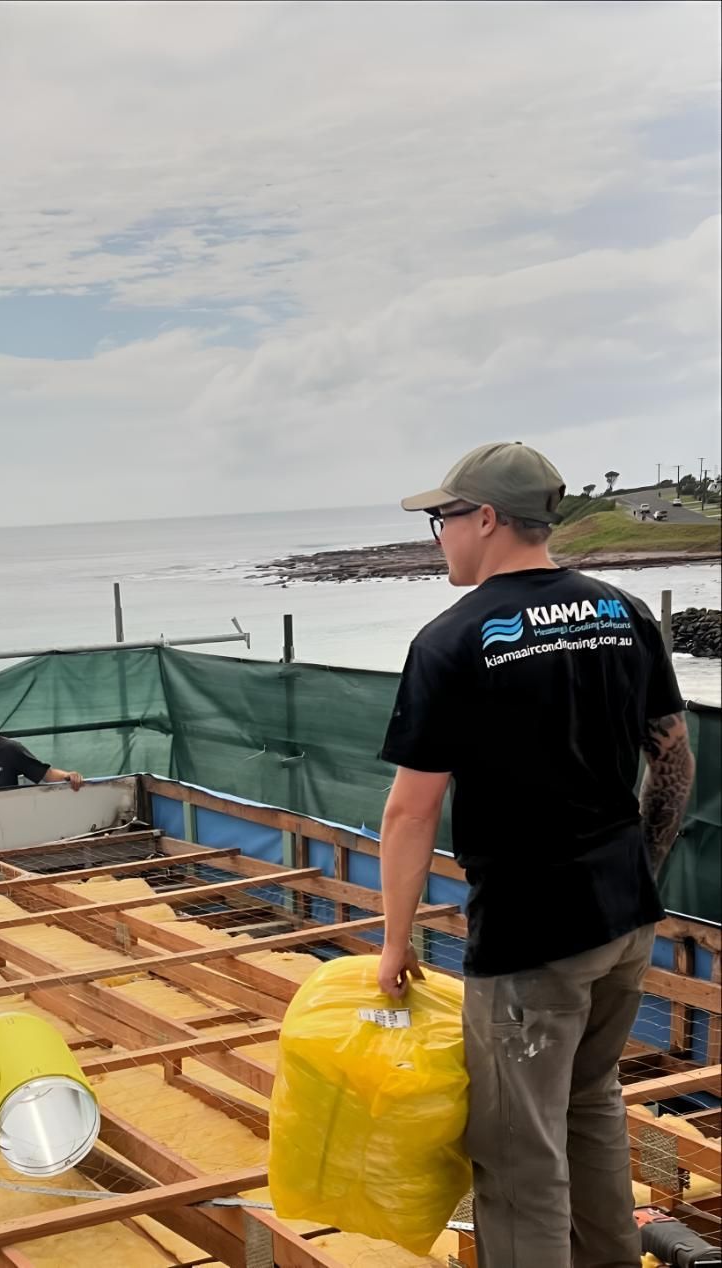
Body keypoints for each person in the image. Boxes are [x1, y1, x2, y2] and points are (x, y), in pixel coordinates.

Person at [375, 441, 695, 1266]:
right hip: (624, 919)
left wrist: (394, 941)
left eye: (443, 518)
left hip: (530, 937)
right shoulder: (624, 611)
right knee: (591, 1105)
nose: (439, 535)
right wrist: (638, 873)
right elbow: (673, 759)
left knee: (518, 1155)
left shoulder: (452, 639)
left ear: (486, 518)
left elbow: (411, 811)